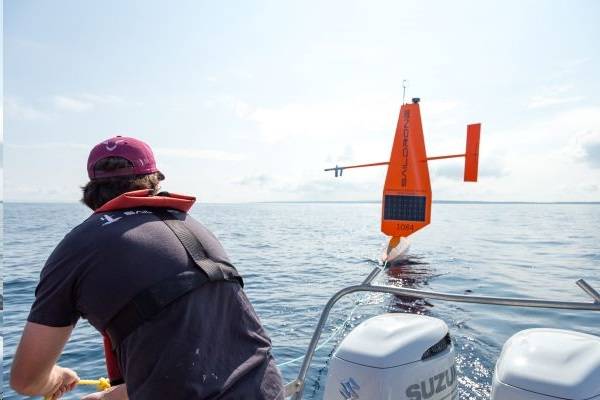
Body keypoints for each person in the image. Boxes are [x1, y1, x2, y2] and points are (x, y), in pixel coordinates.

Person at [10, 136, 285, 400]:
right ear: (155, 182)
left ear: (90, 191)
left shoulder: (78, 246)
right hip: (267, 390)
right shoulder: (194, 229)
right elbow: (199, 358)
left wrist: (56, 376)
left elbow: (27, 380)